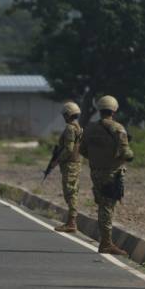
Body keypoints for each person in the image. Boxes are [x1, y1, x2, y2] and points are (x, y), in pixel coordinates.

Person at [80, 95, 133, 256]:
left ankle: (105, 241)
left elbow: (82, 150)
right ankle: (106, 243)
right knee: (107, 207)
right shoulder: (118, 129)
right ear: (114, 110)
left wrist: (97, 159)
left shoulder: (89, 128)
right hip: (112, 173)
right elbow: (126, 153)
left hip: (95, 172)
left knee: (103, 204)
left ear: (99, 109)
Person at [53, 102, 83, 233]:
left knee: (70, 193)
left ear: (68, 115)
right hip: (75, 163)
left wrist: (58, 159)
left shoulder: (71, 128)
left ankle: (71, 222)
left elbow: (69, 149)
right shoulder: (79, 127)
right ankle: (71, 221)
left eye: (65, 115)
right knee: (72, 192)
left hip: (70, 164)